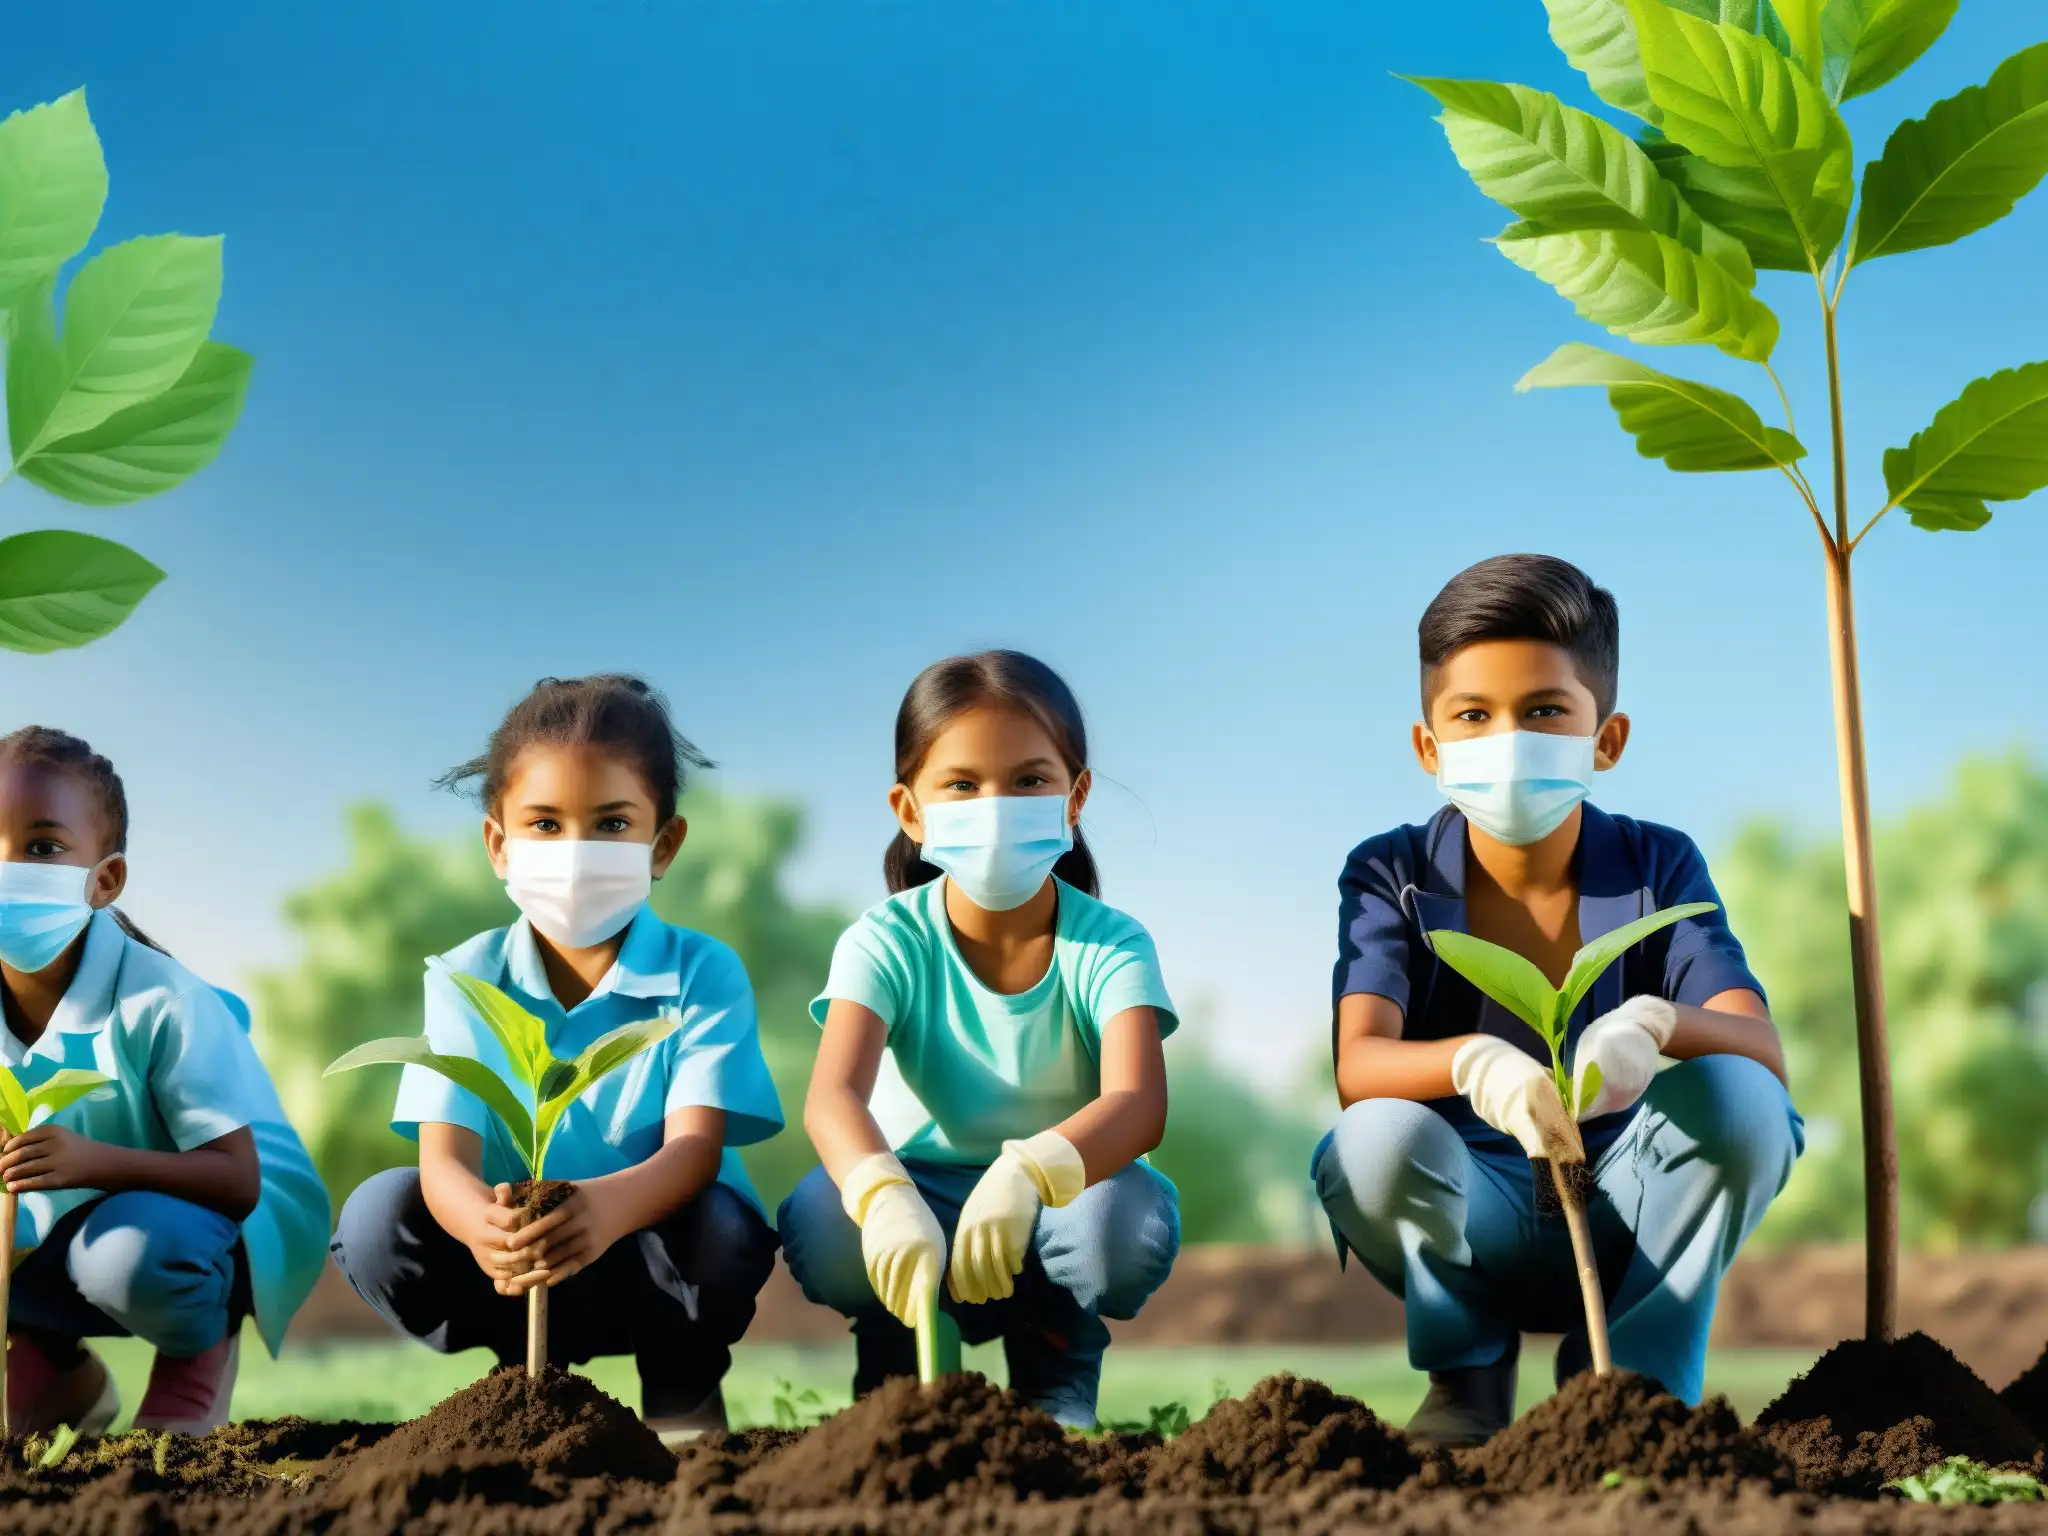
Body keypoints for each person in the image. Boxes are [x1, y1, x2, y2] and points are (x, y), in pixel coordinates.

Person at [1313, 555, 1802, 1444]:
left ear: (1605, 739)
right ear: (1429, 747)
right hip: (1474, 1201)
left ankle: (1638, 1392)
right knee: (1372, 1139)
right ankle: (1466, 1382)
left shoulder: (1659, 865)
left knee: (1746, 1103)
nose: (1508, 739)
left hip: (1633, 1201)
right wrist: (1475, 1064)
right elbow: (1359, 1067)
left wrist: (1657, 1024)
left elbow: (1760, 1047)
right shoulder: (1391, 874)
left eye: (1545, 712)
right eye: (1472, 715)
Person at [328, 675, 782, 1441]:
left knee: (723, 1229)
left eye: (611, 824)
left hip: (652, 1253)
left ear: (662, 844)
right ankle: (524, 1388)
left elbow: (697, 1150)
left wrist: (603, 1210)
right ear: (498, 845)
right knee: (379, 1216)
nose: (575, 853)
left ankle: (682, 1397)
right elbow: (444, 1163)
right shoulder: (466, 976)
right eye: (544, 824)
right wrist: (486, 1230)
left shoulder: (702, 972)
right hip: (513, 1267)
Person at [779, 650, 1178, 1429]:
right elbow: (832, 1097)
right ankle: (901, 1360)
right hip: (923, 1187)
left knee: (1111, 1230)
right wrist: (886, 1196)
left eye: (1029, 780)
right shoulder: (884, 940)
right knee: (827, 1219)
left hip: (1063, 1199)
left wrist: (1031, 1172)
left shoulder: (1111, 945)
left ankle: (1055, 1364)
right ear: (910, 808)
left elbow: (1139, 1104)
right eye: (962, 784)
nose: (996, 805)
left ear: (1075, 795)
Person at [0, 726, 330, 1436]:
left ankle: (198, 1351)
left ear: (105, 879)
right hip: (64, 1217)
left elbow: (238, 1179)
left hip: (221, 1218)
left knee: (130, 1256)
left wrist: (91, 1162)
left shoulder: (164, 1000)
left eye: (43, 847)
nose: (9, 869)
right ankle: (53, 1363)